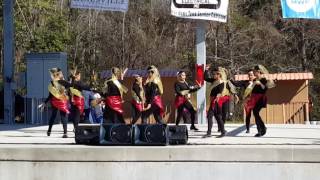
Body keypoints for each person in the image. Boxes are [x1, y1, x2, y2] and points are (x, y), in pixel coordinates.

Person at [204, 66, 237, 138]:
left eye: (215, 74)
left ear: (219, 74)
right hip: (213, 100)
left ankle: (210, 132)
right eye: (213, 74)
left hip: (216, 100)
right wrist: (206, 70)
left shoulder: (221, 82)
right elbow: (205, 78)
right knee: (217, 116)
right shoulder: (213, 80)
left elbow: (220, 91)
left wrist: (217, 97)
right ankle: (222, 131)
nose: (213, 75)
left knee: (210, 115)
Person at [39, 68, 71, 138]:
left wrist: (44, 102)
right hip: (61, 100)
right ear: (58, 74)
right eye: (60, 73)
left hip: (54, 101)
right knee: (63, 116)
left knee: (53, 116)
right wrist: (65, 90)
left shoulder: (51, 83)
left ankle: (49, 130)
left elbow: (50, 95)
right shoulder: (62, 81)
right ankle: (65, 133)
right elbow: (69, 85)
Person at [250, 65, 275, 137]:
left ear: (259, 72)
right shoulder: (254, 80)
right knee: (255, 113)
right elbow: (252, 90)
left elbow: (265, 89)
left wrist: (260, 83)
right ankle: (260, 130)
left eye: (255, 71)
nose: (254, 72)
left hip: (261, 98)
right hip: (254, 98)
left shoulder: (264, 79)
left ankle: (262, 129)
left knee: (255, 112)